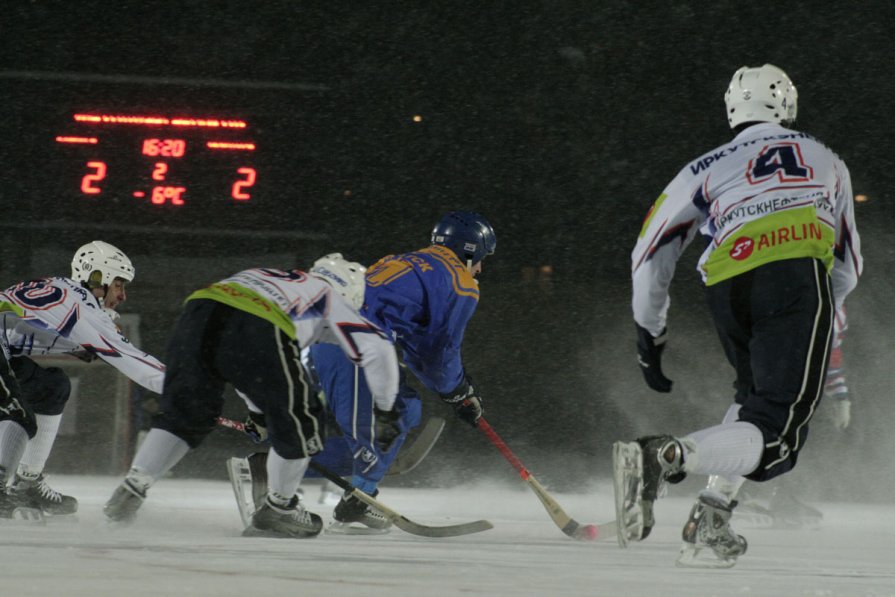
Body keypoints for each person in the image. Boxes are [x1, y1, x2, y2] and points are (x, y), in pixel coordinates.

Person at [615, 64, 862, 568]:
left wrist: (650, 332)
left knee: (753, 402)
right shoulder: (827, 159)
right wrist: (821, 312)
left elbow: (650, 252)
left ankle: (711, 516)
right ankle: (665, 456)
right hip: (794, 275)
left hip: (728, 281)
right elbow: (848, 261)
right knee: (780, 435)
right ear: (786, 104)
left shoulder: (701, 167)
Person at [103, 254, 401, 539]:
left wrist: (260, 414)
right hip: (261, 322)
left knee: (186, 412)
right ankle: (279, 508)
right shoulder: (329, 297)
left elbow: (250, 370)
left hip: (200, 310)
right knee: (303, 420)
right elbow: (379, 349)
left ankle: (134, 484)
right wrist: (387, 413)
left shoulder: (270, 276)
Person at [235, 211, 496, 533]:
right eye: (482, 258)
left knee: (403, 411)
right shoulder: (460, 281)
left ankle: (349, 489)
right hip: (354, 346)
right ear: (470, 250)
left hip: (324, 342)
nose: (481, 267)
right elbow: (439, 351)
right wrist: (458, 391)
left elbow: (416, 347)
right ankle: (348, 497)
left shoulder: (405, 262)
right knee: (384, 424)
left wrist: (452, 388)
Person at [0, 240, 165, 518]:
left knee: (51, 386)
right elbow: (132, 359)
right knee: (18, 414)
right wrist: (185, 389)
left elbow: (17, 332)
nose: (122, 295)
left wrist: (73, 347)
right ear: (97, 277)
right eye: (119, 284)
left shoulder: (59, 287)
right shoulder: (81, 305)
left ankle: (27, 483)